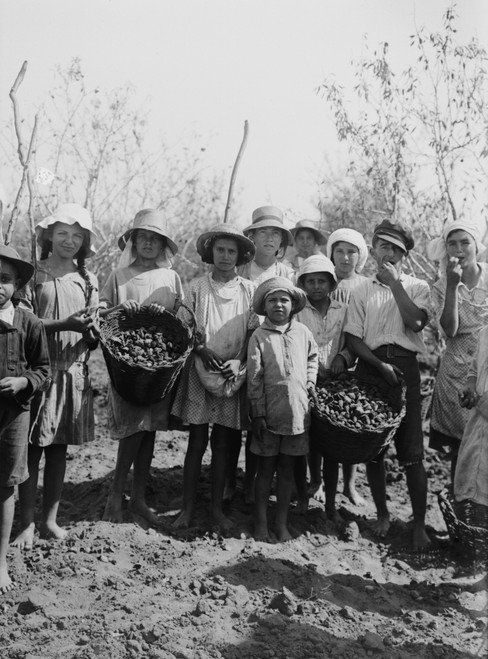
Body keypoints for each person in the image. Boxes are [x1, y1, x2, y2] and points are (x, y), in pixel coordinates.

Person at [13, 203, 98, 550]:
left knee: (59, 449)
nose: (69, 240)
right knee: (32, 449)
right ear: (49, 236)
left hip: (73, 373)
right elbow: (26, 323)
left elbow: (95, 330)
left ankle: (50, 520)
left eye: (77, 235)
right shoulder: (36, 275)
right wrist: (66, 324)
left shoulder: (88, 280)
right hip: (40, 372)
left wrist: (93, 331)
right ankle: (26, 523)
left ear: (85, 242)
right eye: (62, 233)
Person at [344, 219, 431, 550]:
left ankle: (419, 524)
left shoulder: (416, 286)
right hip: (371, 366)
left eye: (397, 249)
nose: (390, 253)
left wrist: (396, 286)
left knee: (411, 451)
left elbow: (418, 322)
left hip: (406, 368)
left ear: (405, 255)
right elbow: (353, 338)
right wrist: (379, 366)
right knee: (375, 448)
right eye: (384, 246)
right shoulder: (361, 289)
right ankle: (382, 514)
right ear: (375, 248)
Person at [171, 224, 258, 529]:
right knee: (197, 442)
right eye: (219, 250)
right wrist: (199, 349)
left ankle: (217, 509)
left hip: (233, 374)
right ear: (210, 253)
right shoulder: (196, 288)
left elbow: (253, 331)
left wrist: (240, 362)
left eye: (231, 251)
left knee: (224, 442)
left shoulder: (249, 291)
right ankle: (187, 507)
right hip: (199, 371)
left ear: (240, 256)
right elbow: (183, 328)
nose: (224, 256)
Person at [100, 209, 183, 524]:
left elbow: (182, 315)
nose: (148, 243)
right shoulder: (120, 275)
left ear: (163, 244)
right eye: (143, 237)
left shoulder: (170, 277)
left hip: (160, 364)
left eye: (155, 238)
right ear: (133, 241)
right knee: (132, 429)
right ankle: (114, 495)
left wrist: (172, 315)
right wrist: (123, 307)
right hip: (127, 364)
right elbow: (104, 310)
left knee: (150, 430)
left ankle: (137, 498)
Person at [247, 276, 318, 542]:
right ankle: (261, 524)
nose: (279, 305)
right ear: (265, 307)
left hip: (297, 414)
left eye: (284, 300)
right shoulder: (259, 336)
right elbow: (254, 377)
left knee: (287, 470)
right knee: (265, 470)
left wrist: (310, 382)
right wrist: (258, 412)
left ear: (293, 305)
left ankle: (281, 524)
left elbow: (313, 358)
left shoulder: (302, 333)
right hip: (269, 416)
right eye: (272, 300)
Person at [0, 245, 50, 592]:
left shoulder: (28, 323)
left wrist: (23, 381)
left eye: (3, 279)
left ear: (17, 284)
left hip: (12, 415)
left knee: (5, 487)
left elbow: (44, 370)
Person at [236, 206, 294, 503]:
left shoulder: (288, 274)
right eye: (263, 232)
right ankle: (245, 483)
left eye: (275, 233)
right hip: (243, 348)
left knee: (270, 419)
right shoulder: (240, 269)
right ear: (252, 237)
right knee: (246, 417)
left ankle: (266, 483)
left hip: (276, 353)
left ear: (282, 241)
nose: (269, 238)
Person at [295, 254, 357, 521]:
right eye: (311, 281)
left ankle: (331, 503)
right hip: (304, 383)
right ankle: (307, 490)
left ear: (332, 284)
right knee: (304, 440)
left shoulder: (343, 311)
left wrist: (344, 357)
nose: (317, 286)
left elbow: (352, 343)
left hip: (335, 386)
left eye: (322, 281)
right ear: (303, 284)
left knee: (331, 445)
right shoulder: (297, 312)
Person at [427, 221, 488, 482]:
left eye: (465, 242)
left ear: (476, 246)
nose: (459, 249)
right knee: (459, 451)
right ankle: (460, 516)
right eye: (452, 243)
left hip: (485, 371)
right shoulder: (442, 286)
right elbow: (449, 330)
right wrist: (452, 285)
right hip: (454, 374)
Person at [320, 228, 369, 507]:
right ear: (332, 254)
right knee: (321, 425)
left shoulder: (363, 285)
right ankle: (317, 480)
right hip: (323, 361)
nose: (345, 257)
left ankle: (349, 485)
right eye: (340, 251)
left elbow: (360, 330)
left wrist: (346, 356)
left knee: (349, 424)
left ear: (359, 256)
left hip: (352, 361)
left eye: (351, 251)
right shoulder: (322, 280)